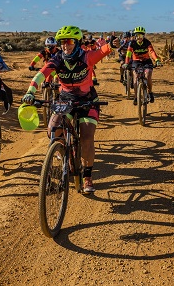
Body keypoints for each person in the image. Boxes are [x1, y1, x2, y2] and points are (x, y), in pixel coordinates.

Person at [22, 25, 120, 193]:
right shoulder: (57, 59)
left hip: (87, 99)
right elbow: (41, 74)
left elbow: (103, 50)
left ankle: (87, 176)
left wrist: (112, 44)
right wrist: (30, 91)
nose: (65, 45)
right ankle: (61, 150)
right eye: (62, 42)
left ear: (77, 42)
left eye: (69, 42)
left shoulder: (86, 57)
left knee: (87, 137)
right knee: (53, 130)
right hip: (66, 99)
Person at [123, 26, 162, 105]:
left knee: (148, 75)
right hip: (136, 61)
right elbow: (128, 54)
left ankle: (150, 93)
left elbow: (152, 52)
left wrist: (157, 60)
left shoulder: (147, 42)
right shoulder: (132, 43)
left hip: (146, 61)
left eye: (141, 35)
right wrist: (126, 63)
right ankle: (136, 97)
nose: (139, 37)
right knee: (135, 77)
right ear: (135, 36)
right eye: (137, 35)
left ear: (144, 36)